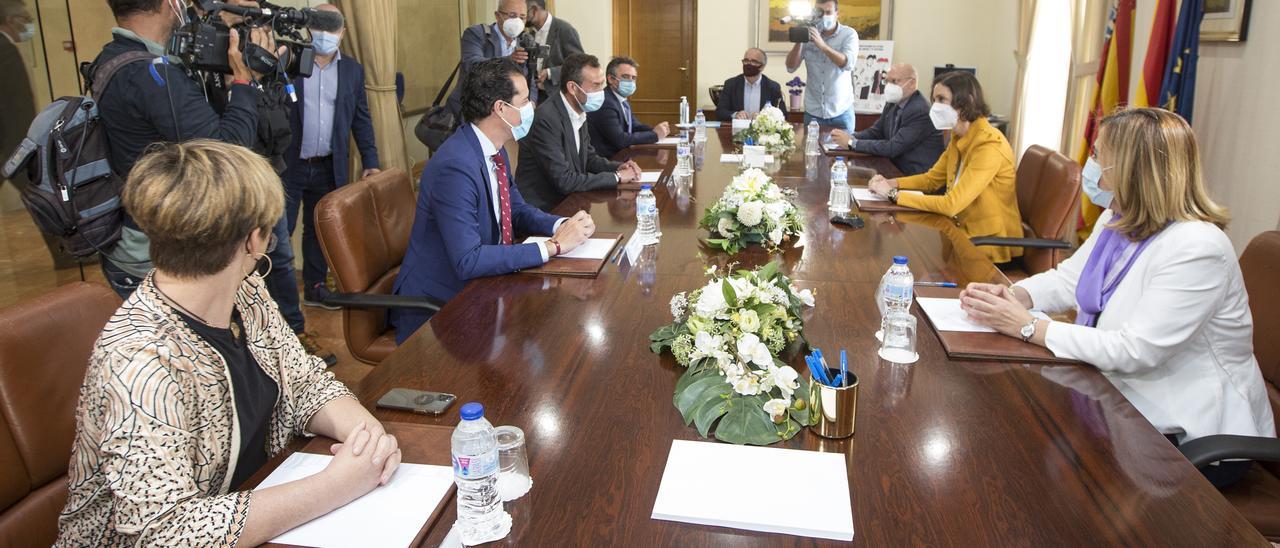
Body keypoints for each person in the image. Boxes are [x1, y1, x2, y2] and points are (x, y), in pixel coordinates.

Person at [56, 140, 401, 546]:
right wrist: (334, 486)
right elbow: (167, 531)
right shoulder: (140, 361)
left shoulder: (246, 291)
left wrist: (367, 440)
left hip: (257, 507)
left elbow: (305, 383)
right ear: (253, 241)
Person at [958, 108, 1276, 489]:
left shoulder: (1198, 248)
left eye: (1097, 155)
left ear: (1132, 169)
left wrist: (1027, 326)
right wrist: (1015, 294)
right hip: (1117, 401)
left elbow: (1136, 350)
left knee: (1042, 472)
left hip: (1187, 436)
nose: (1088, 165)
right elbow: (1069, 279)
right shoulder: (1119, 219)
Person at [92, 0, 337, 365]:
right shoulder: (151, 73)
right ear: (170, 4)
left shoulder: (118, 59)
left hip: (164, 242)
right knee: (188, 367)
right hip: (156, 254)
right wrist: (243, 81)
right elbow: (227, 153)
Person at [392, 58, 597, 343]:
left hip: (482, 288)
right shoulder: (455, 165)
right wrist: (554, 246)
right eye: (525, 100)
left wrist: (563, 224)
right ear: (500, 108)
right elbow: (468, 259)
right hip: (440, 307)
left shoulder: (493, 149)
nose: (531, 108)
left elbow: (517, 210)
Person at [283, 3, 381, 309]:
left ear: (343, 32)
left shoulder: (352, 70)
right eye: (319, 25)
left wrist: (371, 162)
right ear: (309, 28)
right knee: (278, 230)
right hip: (289, 164)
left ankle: (314, 288)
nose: (325, 33)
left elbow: (361, 119)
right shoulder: (289, 62)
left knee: (318, 229)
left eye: (332, 26)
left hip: (328, 164)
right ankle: (275, 299)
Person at [867, 71, 1022, 264]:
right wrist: (892, 182)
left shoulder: (990, 145)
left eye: (942, 99)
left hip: (988, 248)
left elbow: (951, 204)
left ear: (966, 102)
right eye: (934, 99)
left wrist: (893, 195)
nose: (935, 106)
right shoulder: (959, 137)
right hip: (958, 234)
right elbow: (931, 180)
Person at [1, 0, 77, 269]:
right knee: (43, 197)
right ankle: (67, 254)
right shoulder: (5, 50)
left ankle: (65, 253)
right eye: (25, 17)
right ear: (13, 21)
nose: (29, 23)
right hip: (10, 147)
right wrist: (29, 146)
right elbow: (17, 105)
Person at [517, 53, 641, 211]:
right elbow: (564, 181)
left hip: (573, 202)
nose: (601, 91)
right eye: (596, 85)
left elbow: (588, 159)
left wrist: (618, 167)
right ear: (573, 88)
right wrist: (616, 178)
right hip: (546, 209)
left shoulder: (578, 109)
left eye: (602, 84)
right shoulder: (546, 119)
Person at [830, 64, 943, 176]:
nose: (889, 86)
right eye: (887, 81)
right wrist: (851, 137)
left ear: (912, 84)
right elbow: (876, 132)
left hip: (913, 175)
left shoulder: (920, 111)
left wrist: (852, 143)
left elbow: (893, 147)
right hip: (892, 167)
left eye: (894, 81)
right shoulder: (893, 102)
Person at [445, 0, 536, 119]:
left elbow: (531, 78)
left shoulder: (525, 41)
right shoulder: (476, 34)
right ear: (498, 16)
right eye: (512, 16)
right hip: (472, 112)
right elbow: (472, 65)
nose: (518, 21)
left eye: (522, 17)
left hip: (508, 115)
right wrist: (507, 60)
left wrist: (531, 103)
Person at [784, 0, 858, 130]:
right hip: (814, 111)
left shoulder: (849, 34)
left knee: (844, 150)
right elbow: (791, 67)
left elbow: (848, 64)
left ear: (837, 13)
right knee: (810, 149)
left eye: (828, 12)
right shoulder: (810, 33)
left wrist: (822, 45)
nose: (824, 16)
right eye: (820, 12)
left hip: (841, 111)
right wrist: (800, 41)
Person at [586, 56, 671, 159]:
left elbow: (635, 126)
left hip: (624, 156)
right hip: (608, 161)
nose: (630, 81)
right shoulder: (605, 102)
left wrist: (658, 130)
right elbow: (620, 140)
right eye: (626, 77)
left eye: (633, 78)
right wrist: (655, 135)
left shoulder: (622, 100)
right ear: (611, 79)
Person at [526, 0, 583, 103]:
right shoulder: (529, 33)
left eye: (523, 13)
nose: (521, 18)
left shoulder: (565, 29)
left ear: (534, 10)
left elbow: (579, 64)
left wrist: (549, 73)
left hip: (557, 98)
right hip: (534, 97)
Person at [715, 47, 784, 121]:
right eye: (746, 61)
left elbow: (783, 114)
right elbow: (720, 112)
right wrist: (735, 114)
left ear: (762, 66)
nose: (748, 64)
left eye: (754, 61)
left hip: (762, 131)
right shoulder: (731, 84)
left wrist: (763, 117)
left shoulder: (773, 87)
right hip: (737, 130)